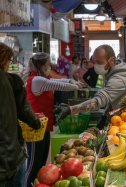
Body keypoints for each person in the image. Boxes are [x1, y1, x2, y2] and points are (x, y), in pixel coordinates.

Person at [24, 53, 83, 187]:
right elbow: (57, 85)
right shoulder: (36, 80)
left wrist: (71, 81)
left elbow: (60, 81)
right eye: (47, 64)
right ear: (40, 66)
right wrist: (74, 86)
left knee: (41, 164)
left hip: (43, 127)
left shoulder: (43, 77)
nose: (50, 66)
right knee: (33, 165)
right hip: (34, 128)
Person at [58, 45, 126, 123]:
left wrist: (71, 109)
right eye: (94, 62)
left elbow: (98, 101)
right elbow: (112, 100)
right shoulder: (113, 74)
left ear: (112, 60)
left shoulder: (119, 79)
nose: (95, 66)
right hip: (125, 119)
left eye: (99, 62)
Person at [0, 43, 27, 187]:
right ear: (4, 60)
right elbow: (24, 111)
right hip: (9, 156)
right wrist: (35, 123)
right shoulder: (10, 80)